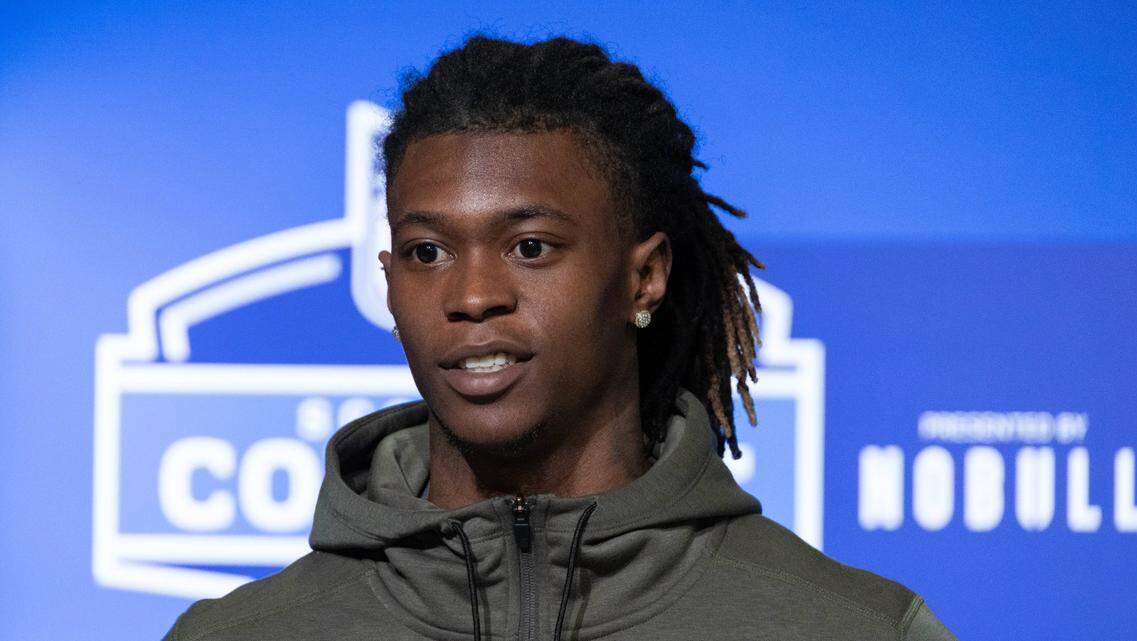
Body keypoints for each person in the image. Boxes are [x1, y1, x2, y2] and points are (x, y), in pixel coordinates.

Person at [163, 35, 956, 641]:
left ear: (644, 278)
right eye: (427, 252)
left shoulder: (853, 628)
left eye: (531, 246)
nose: (473, 296)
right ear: (389, 280)